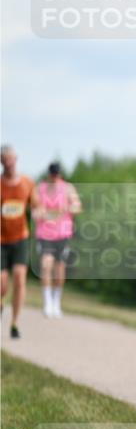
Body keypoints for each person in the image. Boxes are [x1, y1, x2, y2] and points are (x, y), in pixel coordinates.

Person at [32, 162, 81, 318]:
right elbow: (34, 209)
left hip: (62, 233)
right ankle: (47, 303)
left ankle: (56, 302)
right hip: (45, 233)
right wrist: (39, 214)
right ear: (49, 174)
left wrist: (67, 208)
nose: (55, 176)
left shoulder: (68, 188)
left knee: (59, 270)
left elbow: (77, 206)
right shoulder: (40, 188)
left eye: (57, 174)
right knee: (46, 265)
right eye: (53, 174)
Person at [1, 145, 34, 338]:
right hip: (1, 239)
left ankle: (14, 323)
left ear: (16, 159)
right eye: (4, 159)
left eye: (10, 159)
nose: (8, 163)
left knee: (20, 278)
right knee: (2, 283)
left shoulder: (27, 183)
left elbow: (35, 205)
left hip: (20, 237)